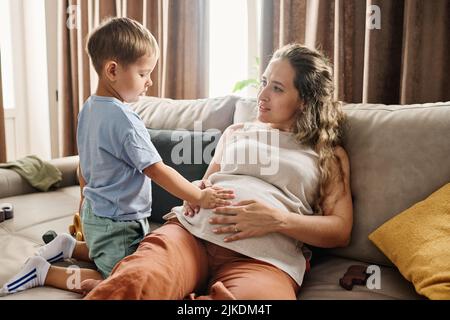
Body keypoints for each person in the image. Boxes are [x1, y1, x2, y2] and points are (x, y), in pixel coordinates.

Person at [79, 43, 353, 300]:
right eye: (264, 82)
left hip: (263, 261)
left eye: (277, 88)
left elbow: (340, 231)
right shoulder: (236, 132)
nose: (262, 95)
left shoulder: (326, 154)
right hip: (191, 236)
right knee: (134, 284)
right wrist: (197, 189)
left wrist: (278, 220)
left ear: (305, 99)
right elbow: (207, 181)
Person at [0, 17, 234, 297]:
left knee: (107, 251)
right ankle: (45, 272)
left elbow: (83, 168)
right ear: (113, 70)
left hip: (96, 213)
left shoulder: (88, 108)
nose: (150, 82)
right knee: (123, 278)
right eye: (144, 73)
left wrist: (84, 202)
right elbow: (156, 170)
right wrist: (199, 197)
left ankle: (69, 247)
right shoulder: (125, 119)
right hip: (119, 222)